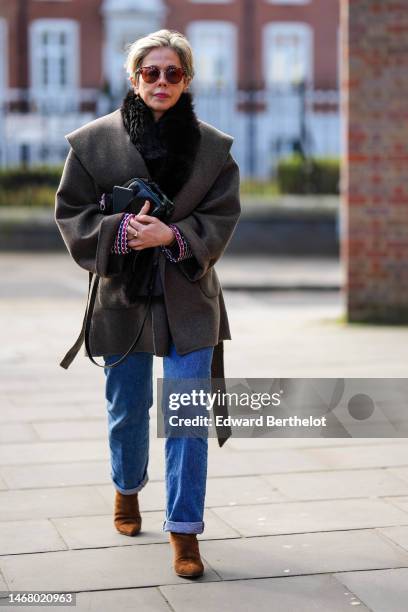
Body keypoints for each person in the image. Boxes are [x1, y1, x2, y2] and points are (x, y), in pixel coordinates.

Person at [55, 29, 241, 579]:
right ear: (134, 79)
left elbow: (224, 217)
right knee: (128, 409)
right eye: (151, 73)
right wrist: (118, 232)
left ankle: (185, 532)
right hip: (122, 300)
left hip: (189, 298)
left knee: (186, 416)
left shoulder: (215, 149)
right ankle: (126, 488)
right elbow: (72, 215)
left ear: (187, 81)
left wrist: (173, 237)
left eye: (173, 73)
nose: (162, 82)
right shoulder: (91, 143)